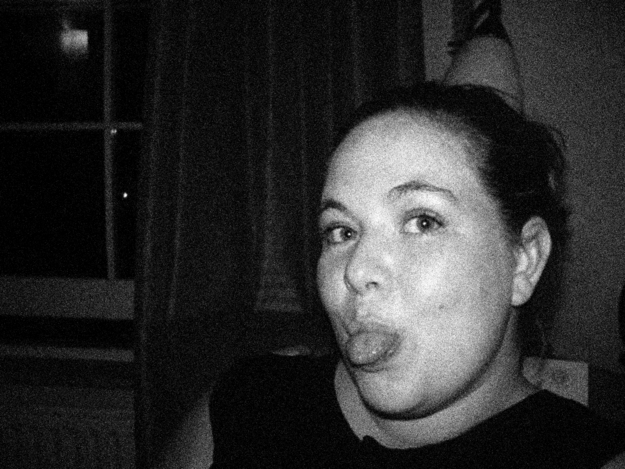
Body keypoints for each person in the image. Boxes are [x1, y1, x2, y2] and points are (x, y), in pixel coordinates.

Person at [165, 82, 625, 468]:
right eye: (341, 231)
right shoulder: (247, 403)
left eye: (423, 222)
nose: (357, 270)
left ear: (524, 259)